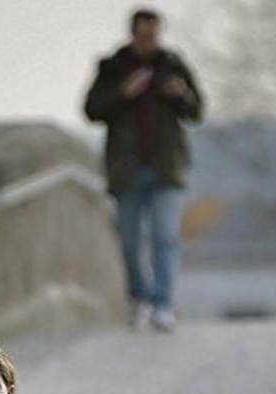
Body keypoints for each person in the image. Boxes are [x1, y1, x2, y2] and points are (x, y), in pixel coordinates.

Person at [83, 8, 204, 333]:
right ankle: (141, 298)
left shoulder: (173, 65)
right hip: (127, 169)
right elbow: (92, 109)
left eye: (154, 35)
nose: (149, 41)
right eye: (143, 35)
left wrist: (180, 95)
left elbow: (196, 109)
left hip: (166, 168)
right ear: (132, 33)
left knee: (165, 236)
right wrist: (124, 93)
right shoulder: (111, 68)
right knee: (129, 240)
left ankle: (163, 304)